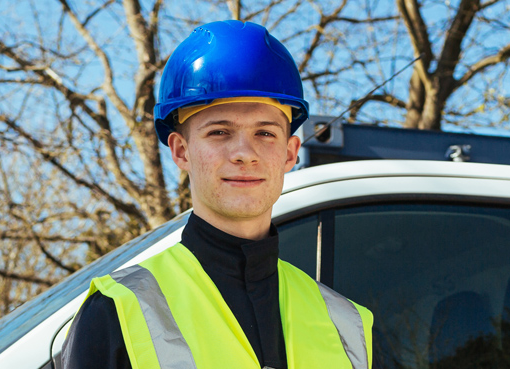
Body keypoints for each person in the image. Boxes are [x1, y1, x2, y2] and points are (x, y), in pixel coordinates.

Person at [59, 20, 372, 369]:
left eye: (265, 133)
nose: (244, 153)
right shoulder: (116, 311)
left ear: (289, 153)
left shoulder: (348, 326)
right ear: (181, 151)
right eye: (220, 131)